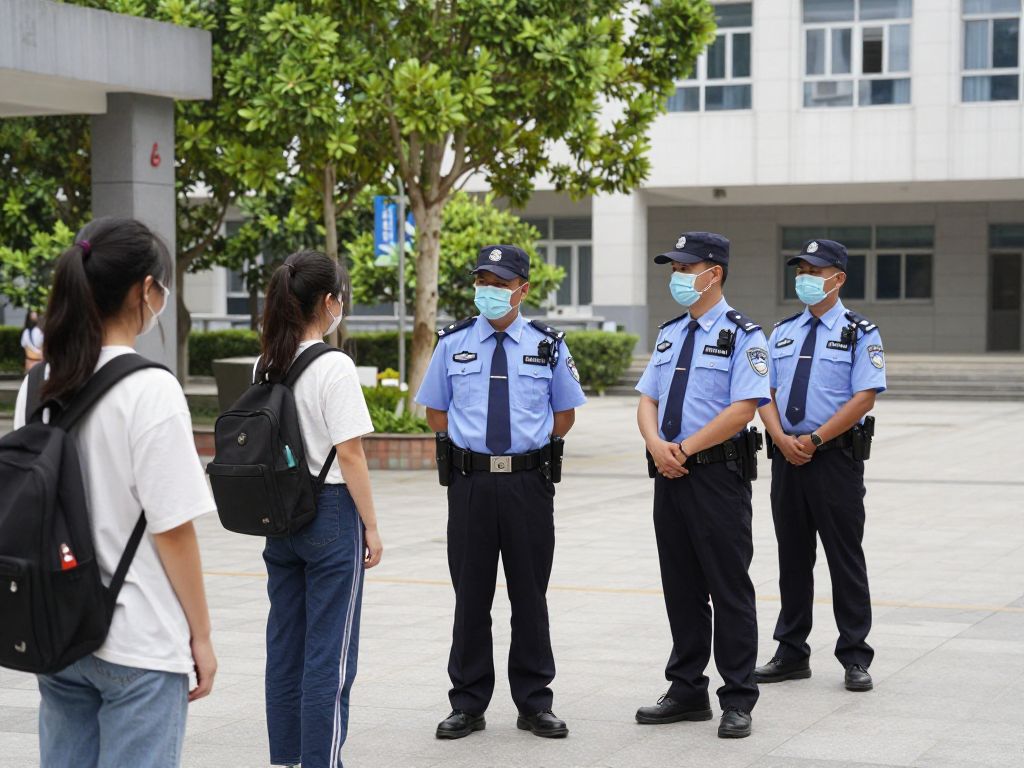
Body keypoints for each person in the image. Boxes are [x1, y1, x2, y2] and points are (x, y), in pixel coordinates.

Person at [13, 217, 217, 768]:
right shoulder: (151, 389)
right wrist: (200, 636)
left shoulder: (39, 385)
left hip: (59, 628)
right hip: (140, 643)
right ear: (144, 291)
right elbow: (173, 530)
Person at [415, 244, 586, 740]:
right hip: (470, 484)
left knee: (529, 595)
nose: (488, 291)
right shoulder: (452, 343)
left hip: (527, 485)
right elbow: (436, 412)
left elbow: (564, 415)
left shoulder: (548, 344)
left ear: (522, 289)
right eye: (482, 282)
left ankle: (535, 703)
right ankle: (467, 703)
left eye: (500, 283)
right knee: (471, 596)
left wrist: (524, 451)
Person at [634, 232, 769, 739]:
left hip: (716, 476)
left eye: (686, 269)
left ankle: (737, 697)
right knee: (682, 588)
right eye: (674, 269)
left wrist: (684, 449)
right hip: (668, 474)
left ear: (715, 273)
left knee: (728, 587)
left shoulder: (744, 335)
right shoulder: (670, 334)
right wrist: (656, 445)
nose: (678, 278)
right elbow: (646, 398)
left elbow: (743, 407)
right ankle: (687, 689)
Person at [257, 250, 383, 768]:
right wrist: (372, 528)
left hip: (279, 515)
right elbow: (349, 453)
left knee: (286, 648)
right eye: (341, 298)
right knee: (329, 655)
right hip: (330, 511)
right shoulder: (334, 365)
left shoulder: (270, 361)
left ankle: (287, 759)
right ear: (328, 302)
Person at [753, 238, 885, 693]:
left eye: (814, 270)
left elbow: (864, 396)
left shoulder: (859, 332)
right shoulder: (782, 332)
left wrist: (814, 438)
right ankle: (791, 651)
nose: (805, 278)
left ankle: (854, 654)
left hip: (834, 459)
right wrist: (780, 438)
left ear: (838, 278)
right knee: (792, 557)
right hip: (787, 458)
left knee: (844, 557)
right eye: (800, 270)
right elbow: (762, 390)